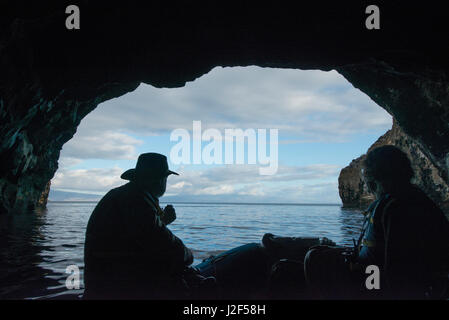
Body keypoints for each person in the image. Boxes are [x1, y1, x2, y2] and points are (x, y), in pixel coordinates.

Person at [304, 145, 449, 299]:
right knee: (319, 255)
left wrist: (359, 272)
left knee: (311, 260)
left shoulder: (395, 208)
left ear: (375, 180)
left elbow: (396, 274)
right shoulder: (415, 200)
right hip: (385, 278)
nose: (369, 188)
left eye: (369, 181)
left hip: (377, 285)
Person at [84, 153, 196, 299]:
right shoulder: (136, 201)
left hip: (103, 283)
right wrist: (188, 255)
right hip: (120, 288)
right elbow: (169, 248)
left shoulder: (123, 195)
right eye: (165, 178)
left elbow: (136, 236)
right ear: (160, 180)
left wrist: (162, 222)